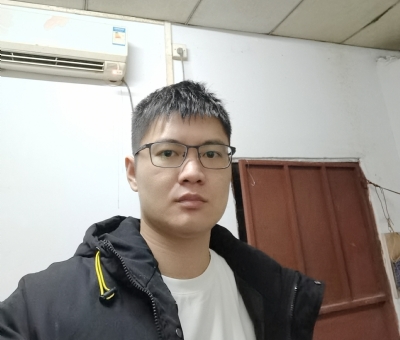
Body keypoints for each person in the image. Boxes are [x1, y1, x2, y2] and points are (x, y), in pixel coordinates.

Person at [0, 80, 324, 340]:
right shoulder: (43, 303)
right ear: (132, 173)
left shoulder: (275, 291)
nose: (193, 172)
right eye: (168, 153)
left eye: (212, 154)